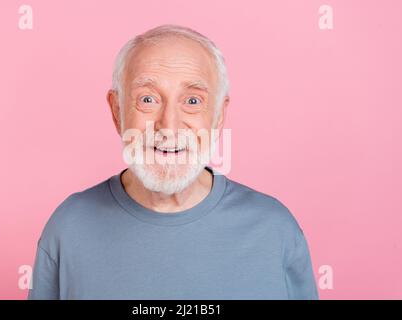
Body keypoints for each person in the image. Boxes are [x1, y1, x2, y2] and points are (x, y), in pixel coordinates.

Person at [28, 24, 319, 300]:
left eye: (192, 101)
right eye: (148, 99)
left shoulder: (275, 230)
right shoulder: (69, 228)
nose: (168, 126)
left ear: (218, 116)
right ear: (117, 111)